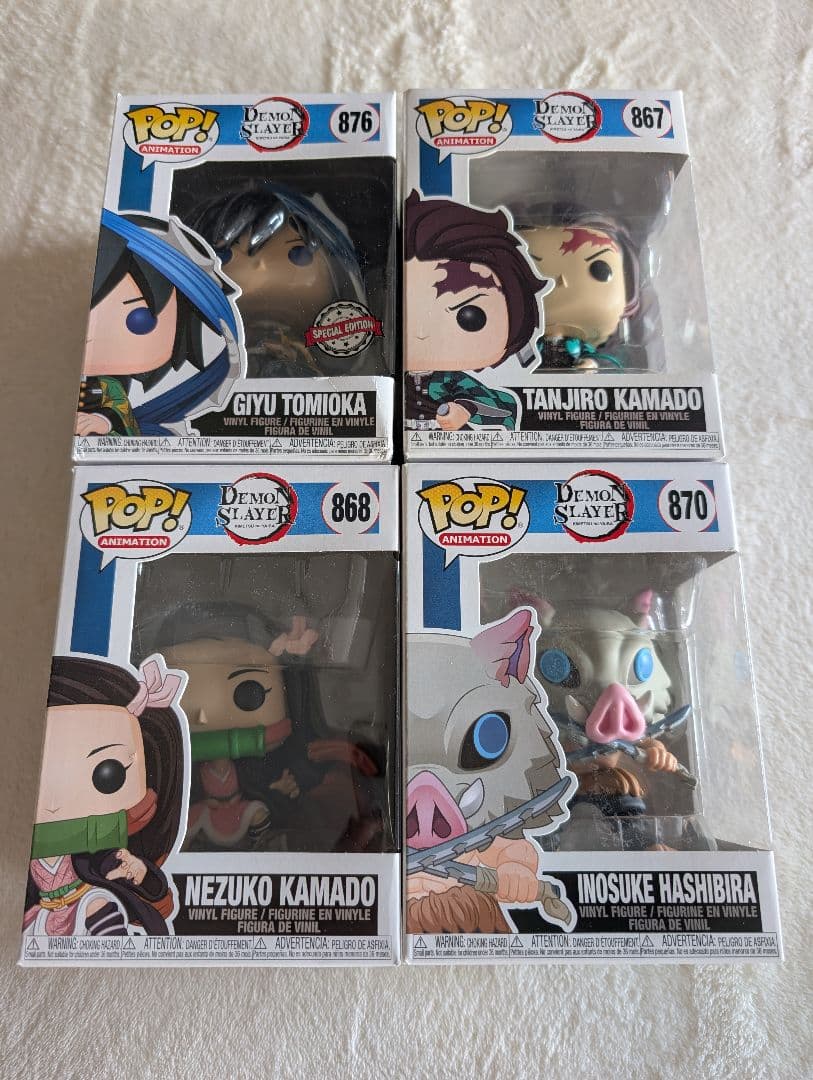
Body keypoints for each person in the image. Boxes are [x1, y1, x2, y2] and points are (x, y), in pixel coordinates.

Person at [403, 189, 551, 432]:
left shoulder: (450, 381)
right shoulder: (392, 380)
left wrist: (466, 408)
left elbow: (505, 406)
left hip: (453, 447)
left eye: (469, 317)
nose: (421, 333)